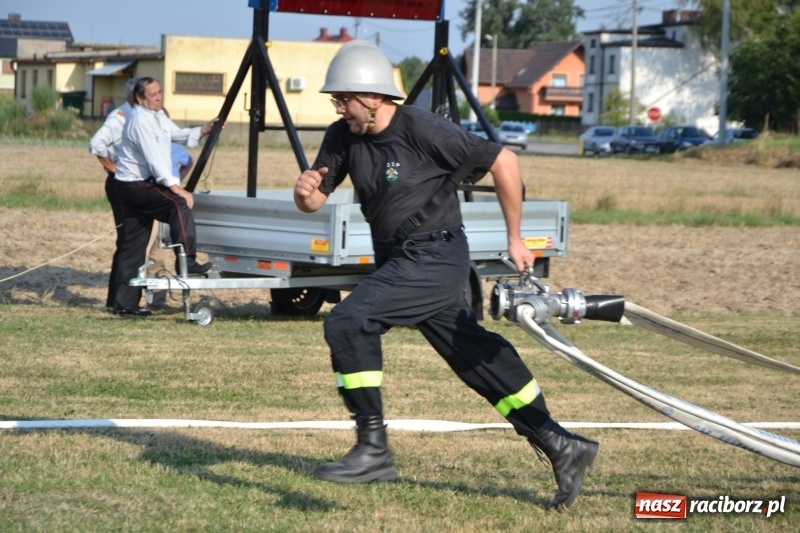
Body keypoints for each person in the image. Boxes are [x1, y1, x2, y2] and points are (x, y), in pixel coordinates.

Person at [293, 40, 598, 510]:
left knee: (348, 321)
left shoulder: (423, 129)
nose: (338, 108)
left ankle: (373, 449)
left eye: (344, 99)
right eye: (335, 100)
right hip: (399, 259)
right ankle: (562, 444)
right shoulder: (342, 136)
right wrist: (305, 192)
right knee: (475, 358)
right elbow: (314, 201)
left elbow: (505, 162)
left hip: (435, 256)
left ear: (372, 97)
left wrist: (516, 238)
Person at [109, 76, 219, 316]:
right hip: (134, 186)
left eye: (160, 92)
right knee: (178, 205)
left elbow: (176, 134)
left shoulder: (156, 116)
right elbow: (156, 161)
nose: (159, 97)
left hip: (133, 186)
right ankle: (188, 262)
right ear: (140, 98)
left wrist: (204, 129)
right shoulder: (140, 120)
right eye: (153, 94)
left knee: (133, 245)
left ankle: (124, 305)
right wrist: (177, 189)